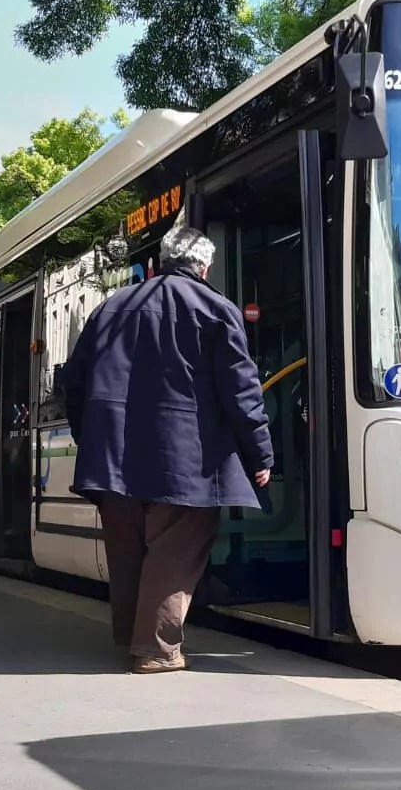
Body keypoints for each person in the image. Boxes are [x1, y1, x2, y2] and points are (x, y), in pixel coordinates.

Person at [63, 224, 274, 674]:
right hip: (186, 460)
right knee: (175, 548)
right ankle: (155, 650)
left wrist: (92, 440)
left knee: (127, 550)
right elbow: (242, 392)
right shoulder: (217, 309)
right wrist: (260, 455)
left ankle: (131, 636)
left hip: (112, 457)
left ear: (160, 261)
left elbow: (73, 384)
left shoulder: (111, 307)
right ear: (204, 265)